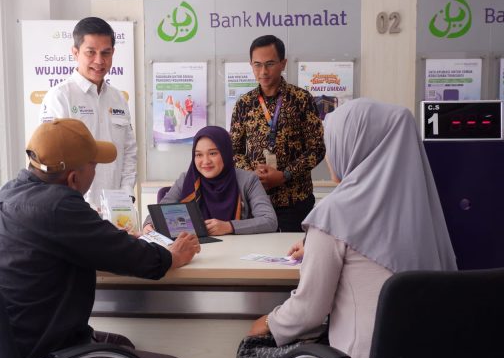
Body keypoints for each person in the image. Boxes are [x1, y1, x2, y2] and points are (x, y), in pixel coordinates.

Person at [238, 98, 457, 358]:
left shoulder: (334, 214)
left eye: (331, 144)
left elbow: (307, 315)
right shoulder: (424, 213)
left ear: (354, 146)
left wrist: (267, 322)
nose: (329, 156)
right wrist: (316, 245)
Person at [0, 118, 200, 358]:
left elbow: (71, 239)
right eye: (93, 164)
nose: (96, 169)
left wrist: (105, 236)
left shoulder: (10, 192)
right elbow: (135, 259)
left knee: (123, 345)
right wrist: (172, 256)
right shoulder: (58, 205)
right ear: (73, 178)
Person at [39, 17, 137, 209]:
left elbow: (129, 151)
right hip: (75, 209)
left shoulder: (118, 98)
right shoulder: (60, 97)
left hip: (117, 209)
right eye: (91, 52)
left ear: (113, 53)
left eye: (105, 53)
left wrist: (126, 195)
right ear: (75, 52)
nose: (99, 61)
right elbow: (51, 159)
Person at [230, 35, 325, 232]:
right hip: (256, 200)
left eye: (270, 64)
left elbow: (317, 149)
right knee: (255, 251)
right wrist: (252, 175)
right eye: (257, 65)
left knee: (292, 250)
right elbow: (234, 151)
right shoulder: (244, 103)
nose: (263, 71)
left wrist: (285, 175)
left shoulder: (302, 99)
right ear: (251, 65)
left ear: (283, 63)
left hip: (295, 199)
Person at [143, 126, 277, 236]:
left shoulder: (247, 180)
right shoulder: (186, 179)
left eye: (213, 153)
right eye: (199, 155)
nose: (205, 161)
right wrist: (149, 225)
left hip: (239, 250)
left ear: (225, 153)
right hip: (195, 250)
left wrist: (229, 226)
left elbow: (269, 220)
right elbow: (157, 214)